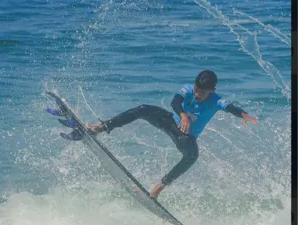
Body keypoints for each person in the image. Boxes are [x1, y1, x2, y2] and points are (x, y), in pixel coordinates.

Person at [87, 70, 258, 199]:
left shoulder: (216, 100)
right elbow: (175, 102)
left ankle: (158, 188)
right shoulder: (188, 89)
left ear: (212, 90)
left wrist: (243, 115)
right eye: (197, 89)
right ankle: (100, 128)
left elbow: (231, 108)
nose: (197, 94)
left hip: (185, 136)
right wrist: (183, 115)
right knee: (142, 109)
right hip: (170, 121)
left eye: (202, 92)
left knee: (192, 156)